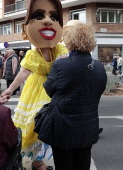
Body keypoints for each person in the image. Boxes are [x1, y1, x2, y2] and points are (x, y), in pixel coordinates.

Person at [1, 0, 68, 169]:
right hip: (35, 90)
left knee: (48, 126)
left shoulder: (59, 50)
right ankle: (34, 159)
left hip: (53, 90)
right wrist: (9, 89)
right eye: (39, 16)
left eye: (53, 17)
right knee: (33, 124)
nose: (47, 21)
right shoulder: (32, 53)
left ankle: (39, 160)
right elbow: (23, 73)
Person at [40, 21, 107, 170]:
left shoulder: (61, 65)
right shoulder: (99, 67)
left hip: (63, 128)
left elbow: (49, 89)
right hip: (88, 127)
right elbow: (99, 91)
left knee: (63, 165)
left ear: (69, 41)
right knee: (83, 165)